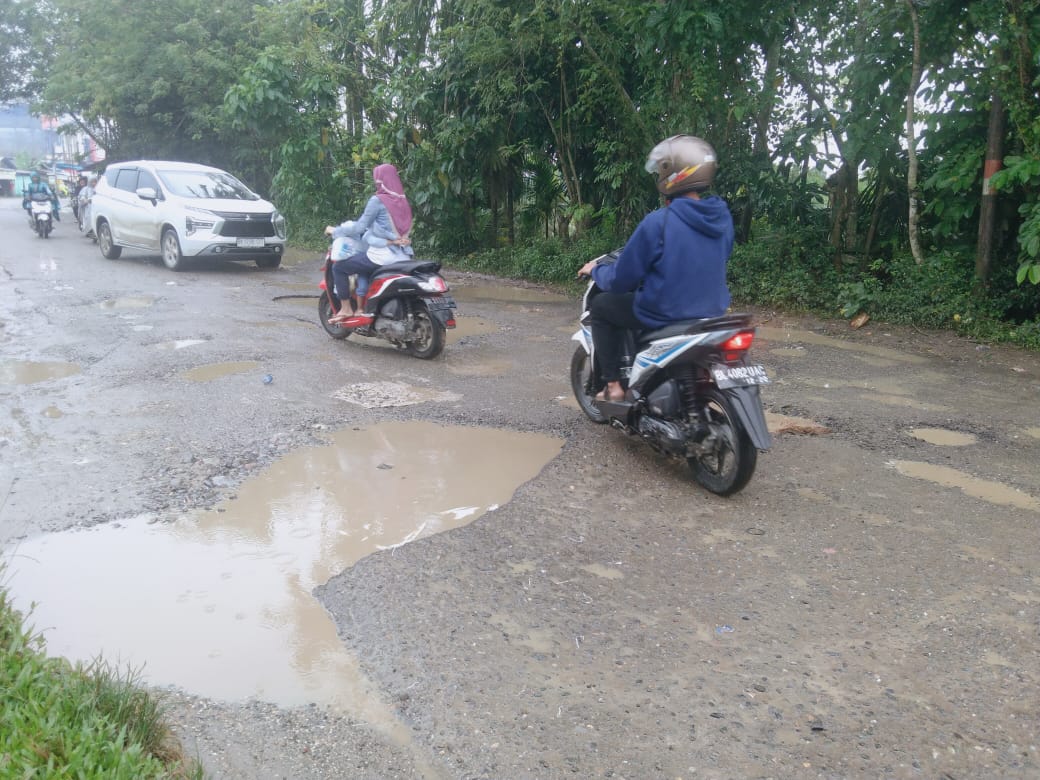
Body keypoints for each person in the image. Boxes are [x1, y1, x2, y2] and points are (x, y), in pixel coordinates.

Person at [577, 135, 733, 402]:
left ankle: (613, 386)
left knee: (602, 307)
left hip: (665, 311)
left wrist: (596, 270)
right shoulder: (721, 218)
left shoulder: (659, 222)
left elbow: (621, 280)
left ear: (671, 176)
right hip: (713, 312)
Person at [326, 164, 413, 324]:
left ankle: (346, 308)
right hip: (404, 256)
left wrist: (336, 231)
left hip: (382, 257)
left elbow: (359, 227)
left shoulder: (378, 200)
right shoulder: (403, 201)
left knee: (339, 268)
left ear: (380, 180)